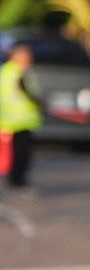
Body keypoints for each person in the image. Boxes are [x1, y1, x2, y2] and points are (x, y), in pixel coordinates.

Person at [0, 42, 42, 193]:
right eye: (26, 55)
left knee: (22, 155)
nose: (29, 58)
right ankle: (16, 184)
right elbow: (25, 94)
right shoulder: (12, 73)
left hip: (24, 121)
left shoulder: (20, 72)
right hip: (13, 122)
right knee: (16, 156)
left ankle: (18, 183)